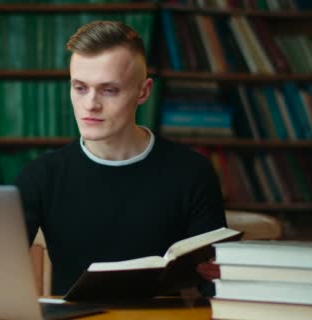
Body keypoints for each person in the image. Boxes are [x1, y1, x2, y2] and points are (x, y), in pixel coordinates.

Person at [14, 20, 226, 297]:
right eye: (80, 88)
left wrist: (224, 274)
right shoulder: (39, 176)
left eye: (108, 90)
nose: (91, 104)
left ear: (143, 91)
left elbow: (212, 284)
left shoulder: (192, 171)